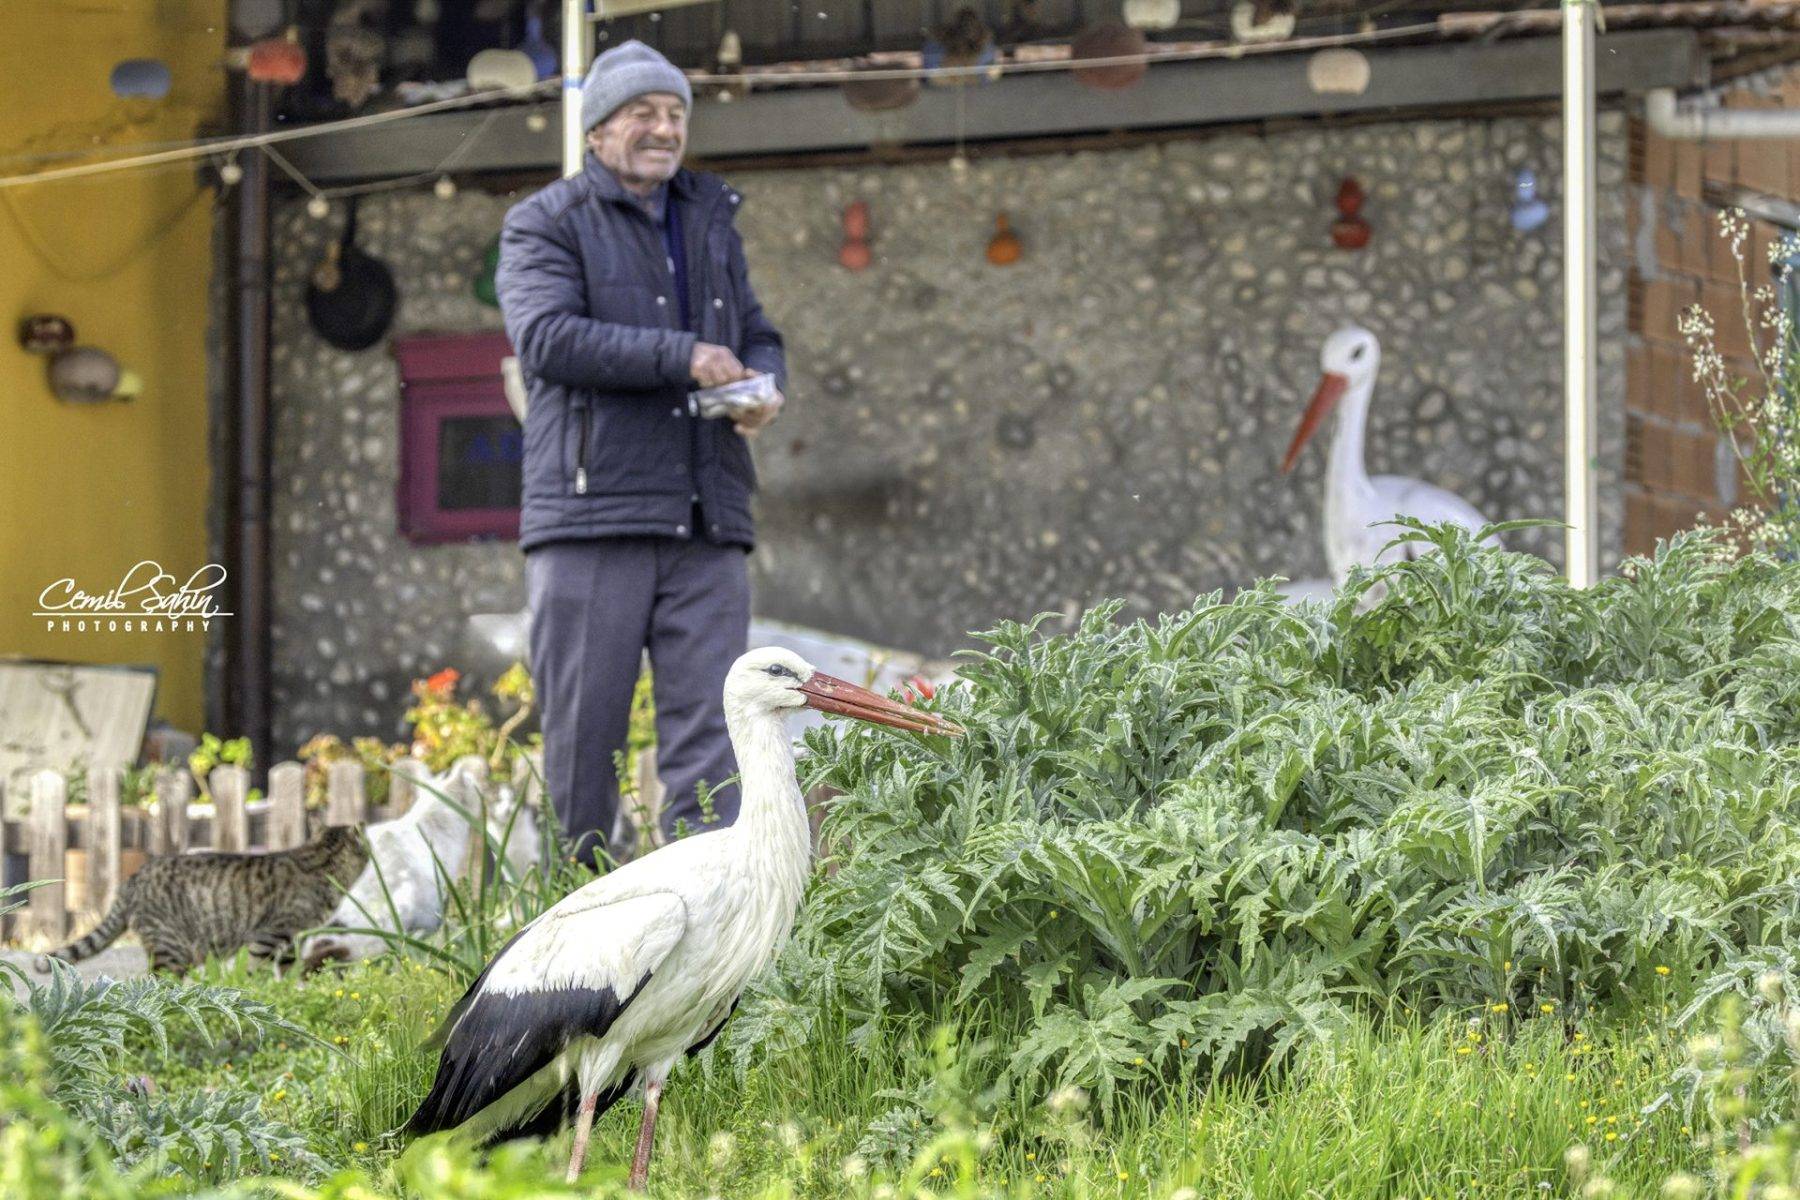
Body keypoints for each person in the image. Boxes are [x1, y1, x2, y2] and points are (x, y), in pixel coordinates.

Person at [496, 39, 786, 865]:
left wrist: (765, 382)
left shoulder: (710, 219)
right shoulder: (543, 222)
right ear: (596, 132)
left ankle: (716, 935)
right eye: (641, 114)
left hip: (709, 515)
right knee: (585, 747)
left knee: (715, 743)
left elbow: (758, 333)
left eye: (674, 114)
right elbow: (547, 339)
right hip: (593, 518)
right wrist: (685, 357)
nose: (663, 129)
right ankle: (571, 942)